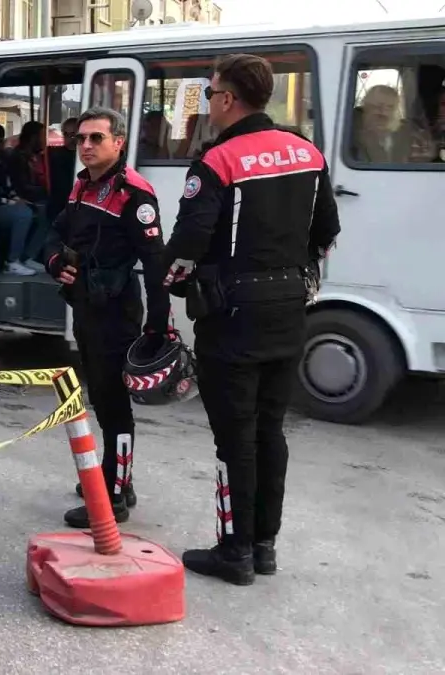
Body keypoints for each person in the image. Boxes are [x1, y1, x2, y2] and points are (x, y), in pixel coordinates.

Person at [162, 54, 340, 585]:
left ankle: (233, 551)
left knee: (233, 437)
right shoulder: (307, 152)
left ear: (228, 100)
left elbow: (186, 249)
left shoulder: (218, 162)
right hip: (289, 313)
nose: (211, 101)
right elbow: (327, 231)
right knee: (270, 430)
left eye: (212, 92)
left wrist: (167, 285)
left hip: (233, 317)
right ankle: (264, 545)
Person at [42, 107, 171, 529]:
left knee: (114, 407)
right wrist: (55, 260)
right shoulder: (82, 186)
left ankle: (115, 496)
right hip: (86, 308)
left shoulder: (135, 193)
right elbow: (55, 231)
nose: (86, 146)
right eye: (81, 139)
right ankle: (118, 478)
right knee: (99, 398)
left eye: (96, 138)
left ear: (118, 142)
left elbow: (156, 267)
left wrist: (158, 327)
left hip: (117, 313)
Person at [0, 121, 51, 276]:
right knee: (29, 213)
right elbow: (20, 185)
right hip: (13, 199)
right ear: (33, 137)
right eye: (42, 136)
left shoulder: (35, 156)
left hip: (26, 197)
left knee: (50, 215)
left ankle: (27, 256)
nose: (45, 141)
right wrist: (43, 193)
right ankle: (12, 261)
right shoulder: (18, 157)